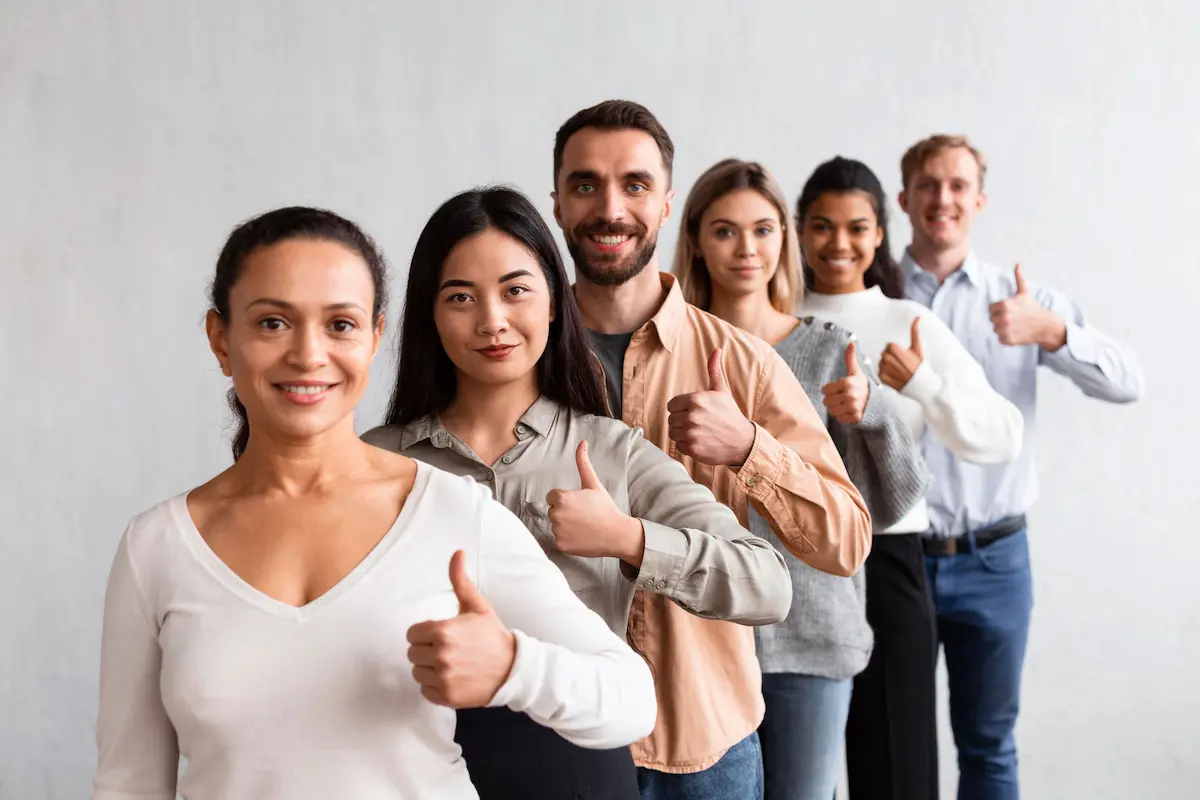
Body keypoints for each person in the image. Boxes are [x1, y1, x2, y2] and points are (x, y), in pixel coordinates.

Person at [91, 206, 657, 800]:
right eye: (272, 323)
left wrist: (514, 667)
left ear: (374, 339)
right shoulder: (156, 546)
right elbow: (127, 784)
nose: (309, 355)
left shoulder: (451, 513)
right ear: (220, 340)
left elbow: (630, 700)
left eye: (340, 324)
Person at [362, 185, 793, 799]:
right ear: (429, 314)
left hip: (575, 768)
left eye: (516, 291)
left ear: (556, 305)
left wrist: (628, 538)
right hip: (406, 765)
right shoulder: (377, 458)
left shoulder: (613, 451)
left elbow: (769, 584)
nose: (492, 321)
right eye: (461, 297)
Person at [551, 98, 872, 799]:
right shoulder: (516, 353)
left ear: (667, 204)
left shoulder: (744, 362)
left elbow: (845, 541)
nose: (610, 208)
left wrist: (750, 448)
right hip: (561, 731)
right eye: (586, 185)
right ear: (556, 203)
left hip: (706, 738)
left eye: (634, 185)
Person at [672, 157, 931, 800]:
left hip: (811, 638)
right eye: (725, 230)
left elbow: (887, 505)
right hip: (695, 637)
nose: (746, 248)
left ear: (783, 239)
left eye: (763, 229)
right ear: (698, 241)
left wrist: (872, 413)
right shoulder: (666, 349)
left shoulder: (825, 347)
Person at [894, 135, 1145, 800]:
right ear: (903, 199)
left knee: (989, 747)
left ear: (979, 200)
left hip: (995, 561)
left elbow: (1128, 381)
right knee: (894, 747)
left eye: (957, 186)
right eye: (928, 185)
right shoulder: (874, 295)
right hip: (894, 563)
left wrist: (1052, 332)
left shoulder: (1021, 299)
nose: (942, 199)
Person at [793, 155, 1025, 800]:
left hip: (889, 557)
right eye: (821, 225)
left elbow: (1003, 434)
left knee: (895, 764)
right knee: (796, 767)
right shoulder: (770, 316)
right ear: (799, 230)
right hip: (790, 562)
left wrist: (919, 383)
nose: (839, 243)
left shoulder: (909, 324)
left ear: (878, 234)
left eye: (857, 227)